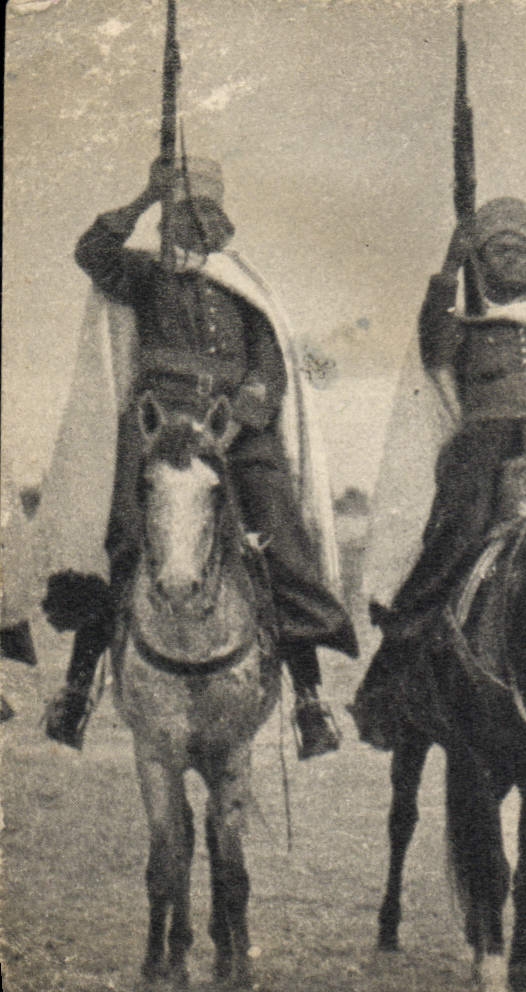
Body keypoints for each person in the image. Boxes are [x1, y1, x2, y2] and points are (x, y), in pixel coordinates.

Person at [45, 157, 357, 756]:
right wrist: (141, 196)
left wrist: (234, 425)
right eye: (173, 217)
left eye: (196, 220)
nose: (182, 231)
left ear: (218, 226)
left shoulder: (245, 289)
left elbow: (269, 370)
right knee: (124, 534)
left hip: (234, 429)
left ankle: (311, 701)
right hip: (157, 423)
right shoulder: (141, 274)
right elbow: (90, 253)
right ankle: (78, 688)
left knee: (280, 536)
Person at [350, 196, 526, 757]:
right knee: (451, 545)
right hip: (481, 455)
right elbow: (433, 344)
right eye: (499, 251)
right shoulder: (463, 327)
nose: (512, 260)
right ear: (480, 263)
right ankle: (391, 679)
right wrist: (447, 269)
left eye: (520, 251)